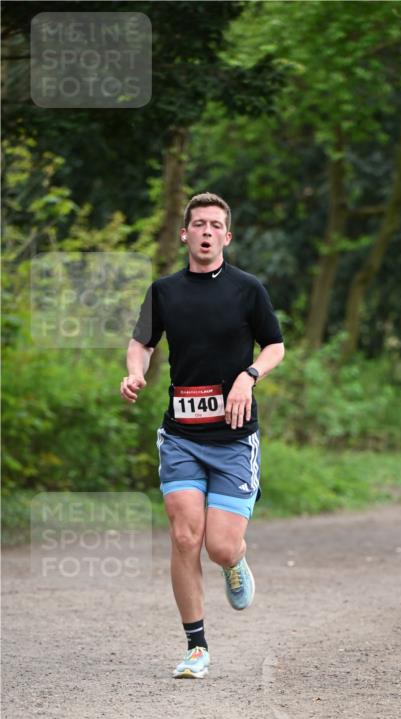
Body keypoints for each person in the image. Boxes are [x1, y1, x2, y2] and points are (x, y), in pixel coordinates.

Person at [121, 192, 285, 678]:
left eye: (216, 224)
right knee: (184, 534)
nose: (207, 231)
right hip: (182, 436)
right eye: (199, 224)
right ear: (185, 234)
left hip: (234, 439)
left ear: (227, 236)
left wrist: (248, 376)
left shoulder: (248, 289)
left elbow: (275, 345)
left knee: (220, 546)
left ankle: (234, 562)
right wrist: (135, 371)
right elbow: (141, 342)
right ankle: (196, 647)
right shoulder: (165, 291)